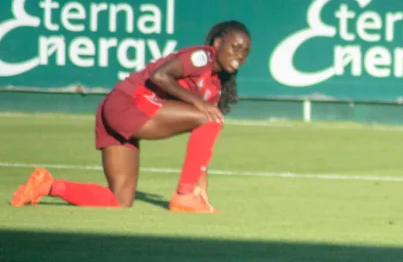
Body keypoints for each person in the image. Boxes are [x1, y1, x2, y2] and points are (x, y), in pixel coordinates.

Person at [9, 21, 251, 213]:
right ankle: (183, 195)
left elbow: (203, 145)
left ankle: (46, 185)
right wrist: (198, 103)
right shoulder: (202, 57)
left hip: (115, 110)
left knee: (119, 199)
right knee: (212, 118)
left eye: (245, 52)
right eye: (235, 47)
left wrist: (202, 191)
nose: (240, 55)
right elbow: (159, 76)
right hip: (128, 105)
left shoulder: (215, 87)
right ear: (218, 43)